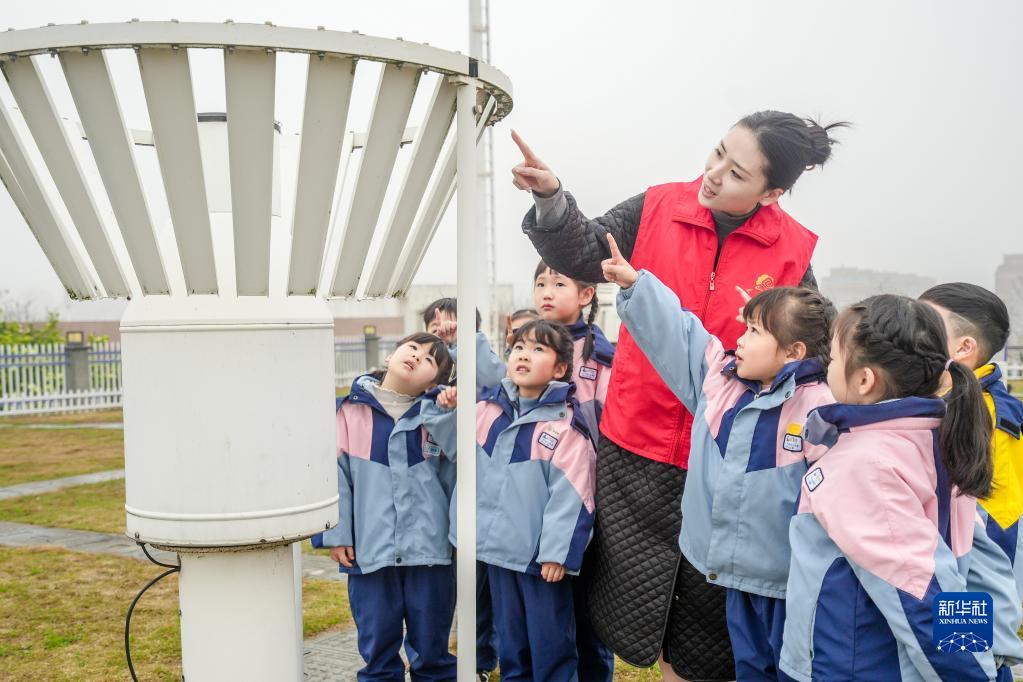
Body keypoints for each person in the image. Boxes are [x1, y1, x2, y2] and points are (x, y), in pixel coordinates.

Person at [512, 111, 847, 679]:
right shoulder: (659, 205)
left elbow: (808, 347)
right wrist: (552, 201)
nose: (713, 174)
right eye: (717, 153)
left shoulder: (793, 252)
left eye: (737, 172)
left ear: (772, 193)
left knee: (708, 620)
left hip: (726, 456)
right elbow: (589, 249)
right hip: (636, 442)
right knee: (629, 599)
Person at [603, 234, 835, 680]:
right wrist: (636, 284)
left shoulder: (820, 410)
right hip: (714, 571)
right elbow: (681, 333)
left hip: (783, 584)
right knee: (742, 667)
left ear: (794, 352)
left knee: (790, 668)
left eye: (753, 331)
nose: (740, 339)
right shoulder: (721, 382)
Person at [779, 295, 1020, 681]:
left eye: (835, 358)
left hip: (855, 665)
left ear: (864, 380)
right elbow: (978, 569)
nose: (828, 367)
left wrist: (974, 675)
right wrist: (994, 657)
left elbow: (923, 594)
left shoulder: (866, 465)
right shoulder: (938, 439)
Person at [423, 319, 597, 682]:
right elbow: (452, 450)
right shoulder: (488, 411)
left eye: (538, 349)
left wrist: (556, 553)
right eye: (518, 347)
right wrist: (445, 411)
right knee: (513, 647)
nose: (523, 354)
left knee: (551, 647)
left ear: (560, 369)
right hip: (496, 554)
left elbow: (574, 495)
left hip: (537, 562)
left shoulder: (565, 427)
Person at [311, 333, 456, 681]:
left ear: (434, 382)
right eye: (413, 349)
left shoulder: (438, 418)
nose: (417, 357)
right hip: (369, 552)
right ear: (391, 356)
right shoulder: (347, 412)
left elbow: (458, 479)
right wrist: (336, 533)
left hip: (431, 554)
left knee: (432, 648)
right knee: (377, 646)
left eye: (429, 360)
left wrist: (447, 414)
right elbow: (334, 477)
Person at [920, 283, 1023, 595]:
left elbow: (994, 534)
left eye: (923, 326)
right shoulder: (935, 403)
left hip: (966, 592)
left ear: (963, 348)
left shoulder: (990, 418)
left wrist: (969, 632)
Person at [423, 297, 505, 393]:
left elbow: (492, 382)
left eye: (452, 329)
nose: (443, 333)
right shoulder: (418, 360)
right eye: (436, 330)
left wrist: (457, 344)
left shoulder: (480, 358)